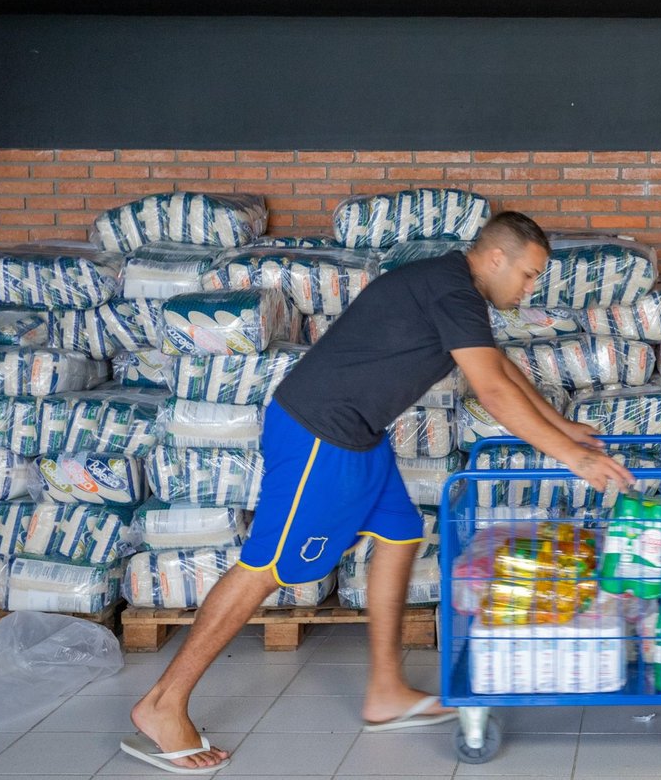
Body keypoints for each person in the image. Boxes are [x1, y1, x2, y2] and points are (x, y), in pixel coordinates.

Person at [123, 211, 634, 773]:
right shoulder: (451, 289)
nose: (530, 288)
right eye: (529, 274)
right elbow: (490, 390)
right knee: (265, 566)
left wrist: (565, 429)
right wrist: (572, 457)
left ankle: (386, 691)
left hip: (359, 436)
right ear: (496, 258)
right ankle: (163, 704)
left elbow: (501, 370)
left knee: (400, 533)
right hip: (319, 433)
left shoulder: (453, 288)